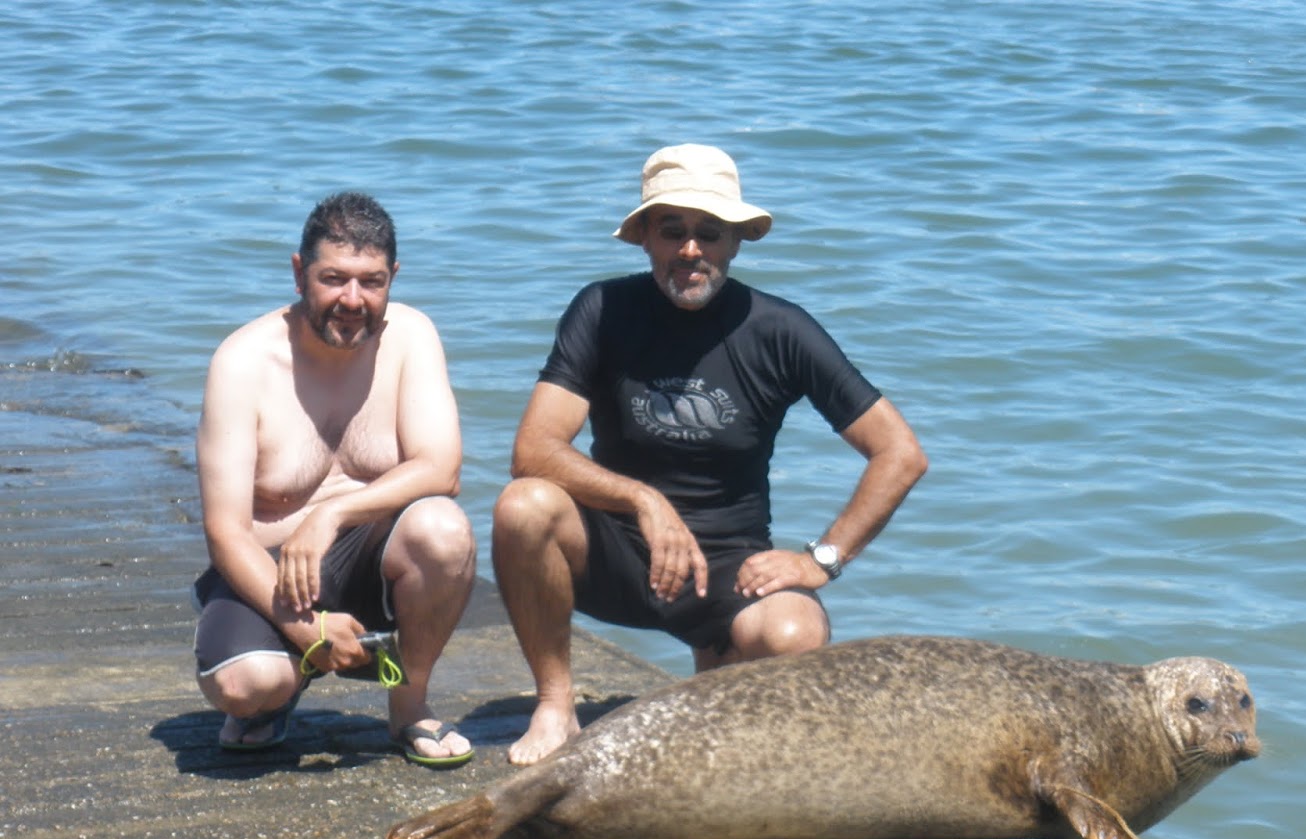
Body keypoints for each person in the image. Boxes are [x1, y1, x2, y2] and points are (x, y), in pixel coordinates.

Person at [494, 144, 928, 766]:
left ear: (737, 242)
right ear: (646, 238)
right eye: (673, 231)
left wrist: (822, 559)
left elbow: (899, 453)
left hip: (728, 566)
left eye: (710, 233)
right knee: (523, 506)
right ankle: (555, 705)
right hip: (613, 551)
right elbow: (533, 449)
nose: (691, 250)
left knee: (795, 635)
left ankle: (717, 660)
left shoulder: (780, 330)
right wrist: (643, 501)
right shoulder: (602, 309)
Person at [192, 191, 477, 765]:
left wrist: (332, 514)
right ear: (299, 273)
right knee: (246, 687)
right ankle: (279, 692)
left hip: (374, 557)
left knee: (444, 528)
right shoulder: (242, 362)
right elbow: (225, 533)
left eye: (371, 282)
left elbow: (440, 469)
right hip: (271, 575)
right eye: (333, 279)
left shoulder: (412, 337)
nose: (352, 300)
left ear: (393, 276)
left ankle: (409, 705)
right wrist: (307, 630)